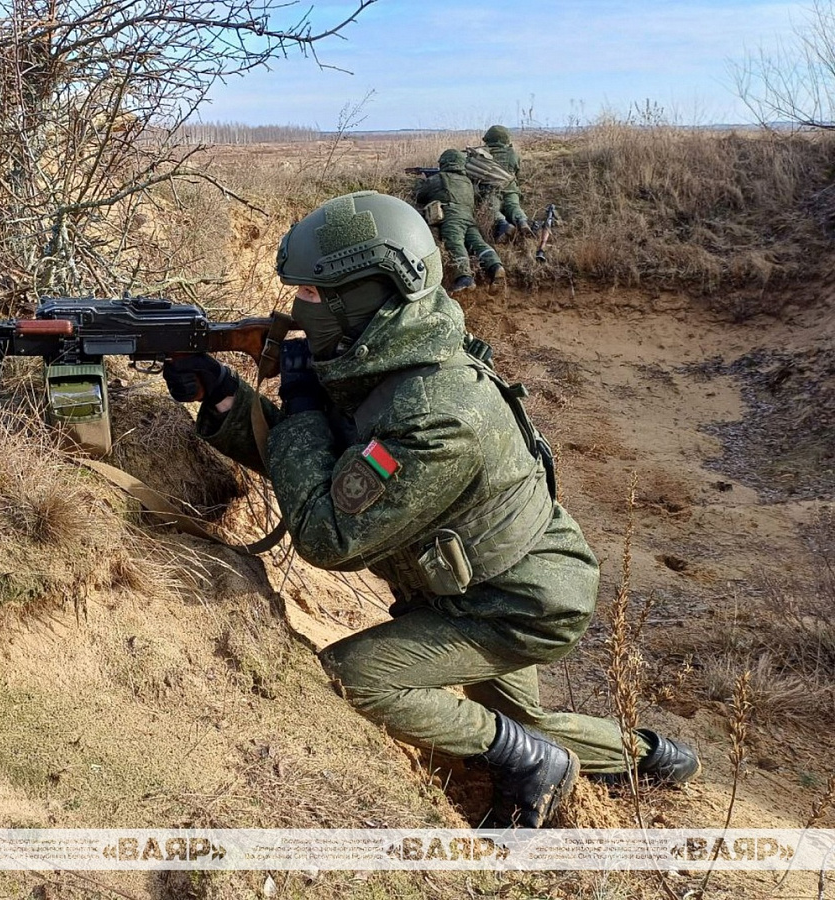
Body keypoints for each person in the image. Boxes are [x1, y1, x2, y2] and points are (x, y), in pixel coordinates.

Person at [162, 191, 699, 828]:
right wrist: (227, 399)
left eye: (310, 293)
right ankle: (654, 759)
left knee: (357, 676)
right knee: (520, 716)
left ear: (364, 296)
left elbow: (327, 532)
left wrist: (301, 408)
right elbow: (329, 469)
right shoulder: (384, 353)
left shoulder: (434, 415)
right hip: (483, 584)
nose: (297, 309)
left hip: (517, 604)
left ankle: (532, 765)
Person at [414, 149, 504, 293]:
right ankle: (495, 266)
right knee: (477, 243)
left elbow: (420, 195)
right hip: (468, 217)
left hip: (452, 216)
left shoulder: (440, 178)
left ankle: (464, 278)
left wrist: (419, 181)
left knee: (454, 242)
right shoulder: (467, 181)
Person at [480, 124, 534, 242]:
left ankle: (503, 224)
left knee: (492, 209)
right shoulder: (512, 154)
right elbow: (517, 172)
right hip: (511, 189)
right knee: (513, 206)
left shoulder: (482, 154)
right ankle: (522, 222)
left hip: (491, 190)